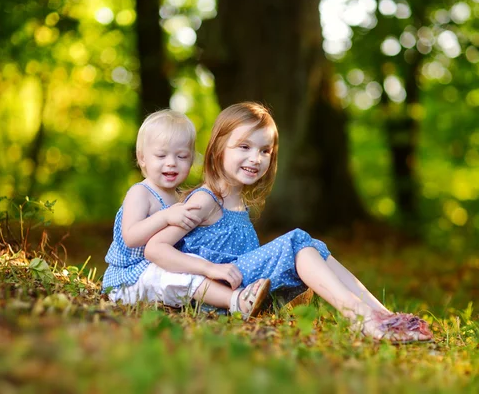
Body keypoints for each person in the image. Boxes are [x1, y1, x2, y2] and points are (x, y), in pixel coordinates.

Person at [145, 103, 433, 343]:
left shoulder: (237, 202)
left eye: (264, 150)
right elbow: (155, 248)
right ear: (219, 148)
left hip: (245, 287)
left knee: (314, 246)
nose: (255, 158)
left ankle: (381, 314)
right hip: (219, 292)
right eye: (244, 146)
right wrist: (209, 268)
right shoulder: (205, 200)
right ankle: (359, 316)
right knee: (297, 240)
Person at [102, 109, 271, 319]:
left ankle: (228, 299)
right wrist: (164, 217)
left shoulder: (180, 198)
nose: (171, 162)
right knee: (184, 274)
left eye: (181, 156)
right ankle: (235, 300)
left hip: (158, 270)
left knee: (187, 263)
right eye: (161, 155)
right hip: (129, 278)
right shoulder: (140, 193)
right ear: (142, 158)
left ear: (191, 160)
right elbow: (130, 237)